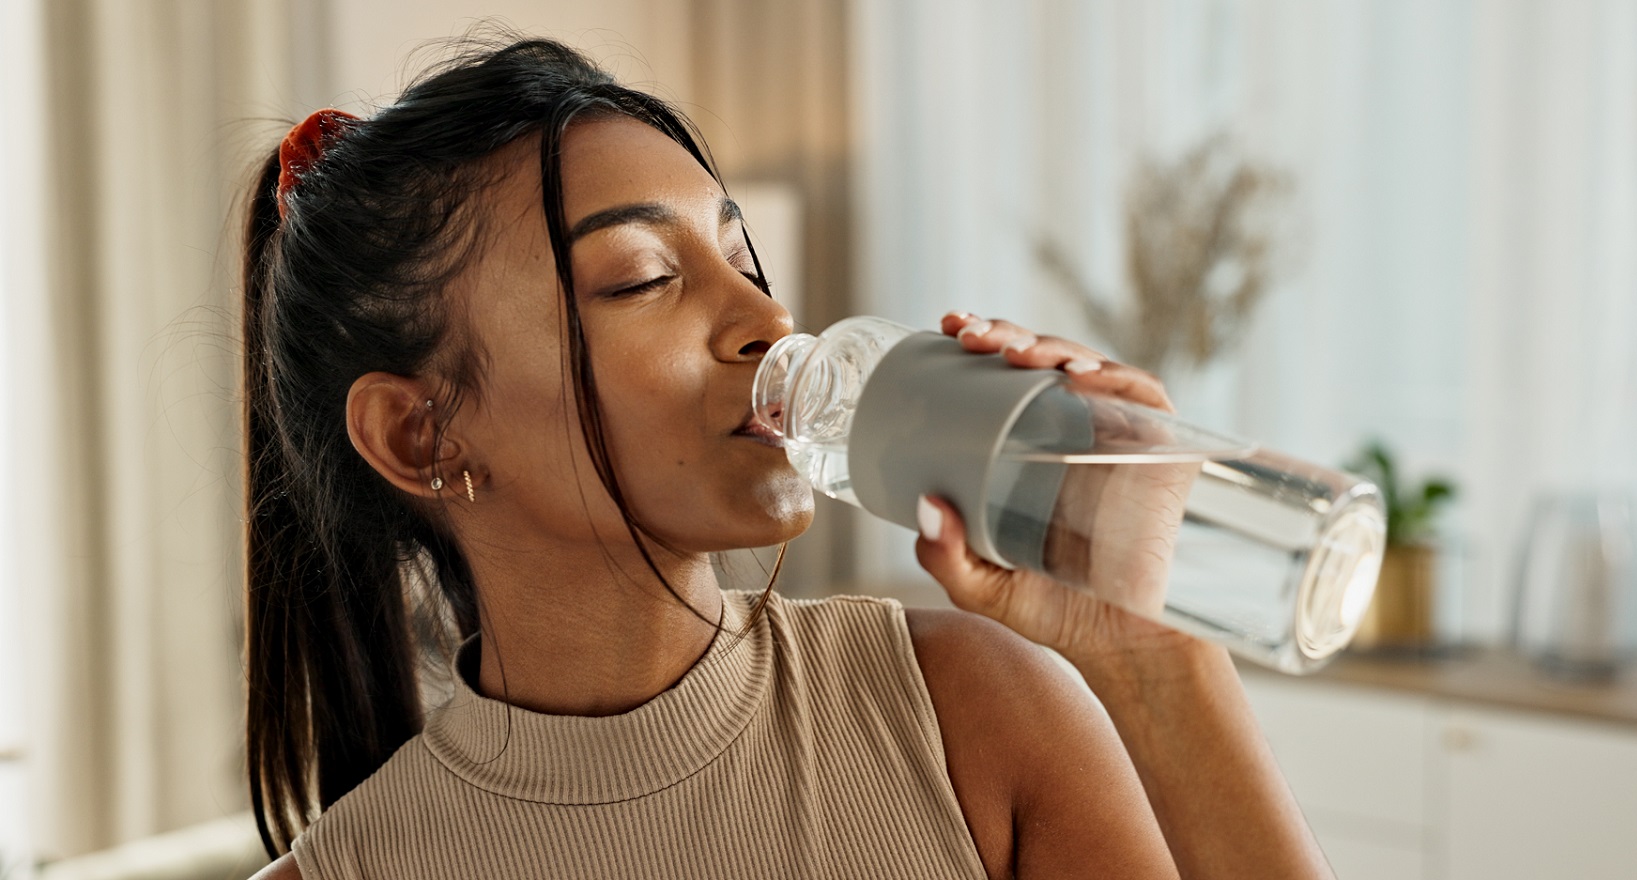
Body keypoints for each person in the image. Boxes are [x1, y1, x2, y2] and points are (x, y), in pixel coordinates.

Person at [241, 35, 1332, 880]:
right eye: (639, 277)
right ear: (421, 435)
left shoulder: (968, 711)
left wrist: (1152, 660)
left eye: (740, 254)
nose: (765, 314)